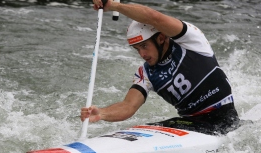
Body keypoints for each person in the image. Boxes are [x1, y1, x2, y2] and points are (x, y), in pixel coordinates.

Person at [80, 0, 240, 135]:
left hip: (223, 117)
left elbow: (154, 17)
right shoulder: (146, 73)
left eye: (144, 46)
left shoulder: (191, 42)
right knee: (138, 131)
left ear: (161, 38)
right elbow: (128, 105)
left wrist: (114, 6)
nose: (142, 54)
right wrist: (101, 113)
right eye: (137, 49)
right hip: (191, 123)